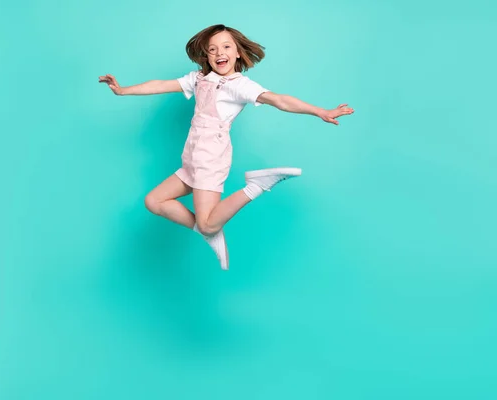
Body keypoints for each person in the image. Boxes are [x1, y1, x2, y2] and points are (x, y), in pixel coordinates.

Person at [99, 24, 354, 270]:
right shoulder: (199, 78)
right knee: (154, 201)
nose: (220, 53)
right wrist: (122, 91)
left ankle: (256, 186)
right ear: (206, 56)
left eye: (226, 47)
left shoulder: (240, 85)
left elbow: (279, 100)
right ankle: (206, 231)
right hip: (192, 157)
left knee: (209, 224)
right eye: (213, 49)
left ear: (237, 52)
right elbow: (160, 84)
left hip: (211, 157)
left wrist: (319, 111)